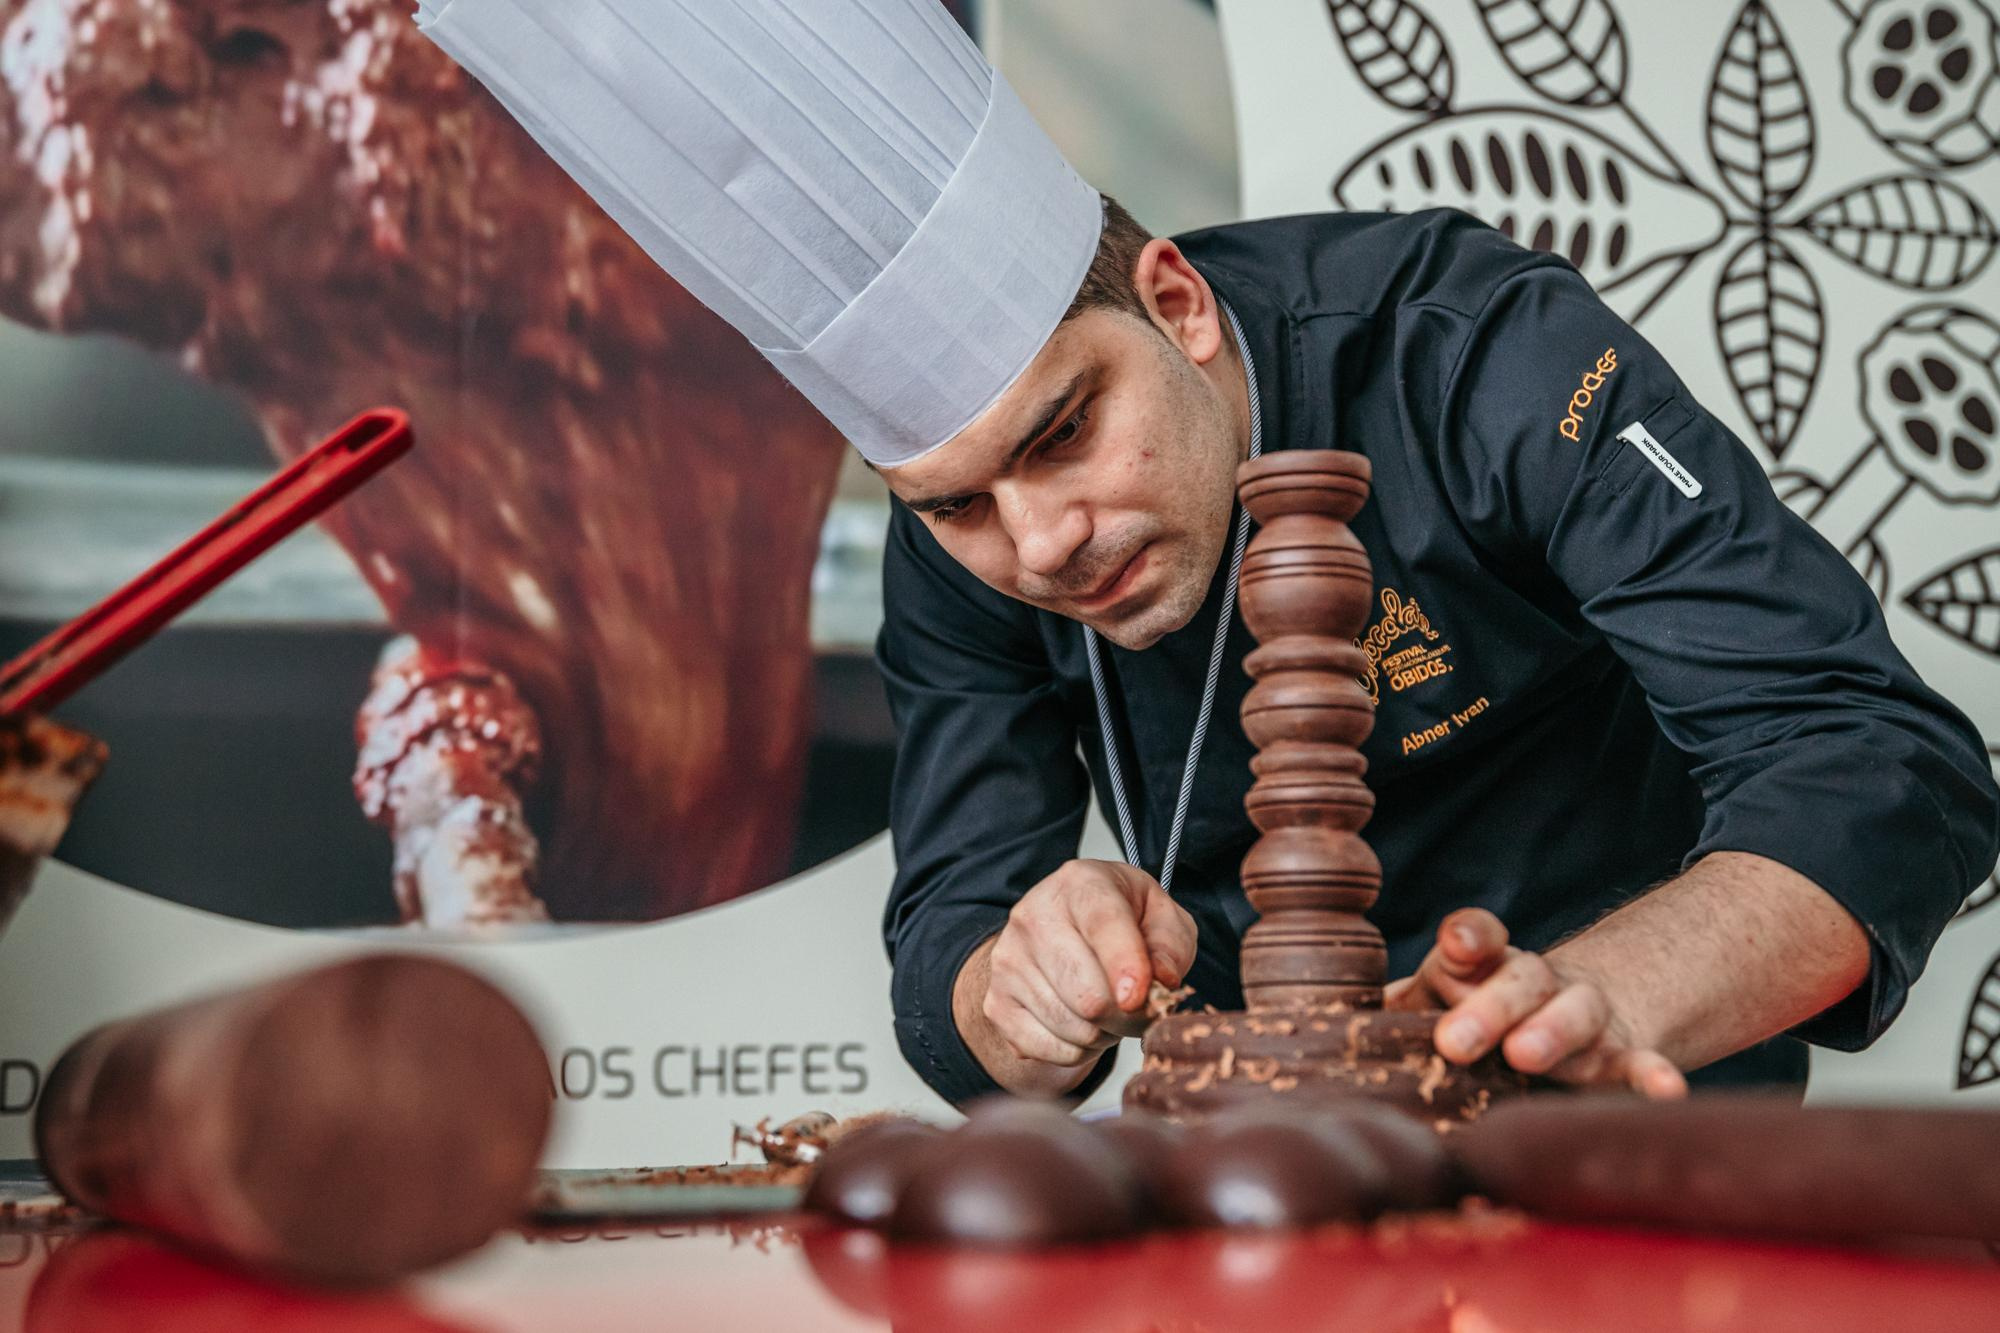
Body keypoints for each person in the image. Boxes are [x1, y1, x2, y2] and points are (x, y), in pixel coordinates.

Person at [417, 0, 1998, 1108]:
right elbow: (953, 952)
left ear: (1174, 304)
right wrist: (1023, 988)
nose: (1038, 542)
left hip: (1640, 1155)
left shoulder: (1473, 354)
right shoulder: (967, 537)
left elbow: (1881, 763)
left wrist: (1591, 1000)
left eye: (1061, 434)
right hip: (1265, 1194)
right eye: (954, 501)